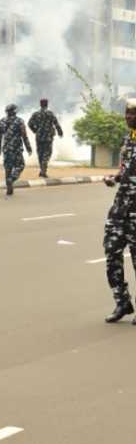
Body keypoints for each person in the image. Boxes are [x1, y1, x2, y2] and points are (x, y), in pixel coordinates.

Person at [102, 99, 136, 323]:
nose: (128, 117)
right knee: (111, 253)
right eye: (127, 113)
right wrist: (114, 178)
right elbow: (124, 169)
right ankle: (122, 302)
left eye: (133, 114)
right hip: (120, 208)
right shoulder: (127, 140)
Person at [0, 103, 33, 196]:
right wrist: (28, 147)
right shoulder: (19, 121)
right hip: (16, 149)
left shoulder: (2, 121)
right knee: (20, 166)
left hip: (6, 149)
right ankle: (12, 179)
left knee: (8, 168)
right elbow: (24, 135)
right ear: (15, 111)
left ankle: (9, 188)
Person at [27, 98, 64, 178]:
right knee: (47, 153)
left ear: (40, 104)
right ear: (47, 104)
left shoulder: (36, 114)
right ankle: (43, 170)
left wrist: (35, 130)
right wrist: (60, 132)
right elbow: (56, 124)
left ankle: (42, 170)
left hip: (39, 137)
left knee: (40, 154)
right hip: (48, 137)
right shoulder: (50, 113)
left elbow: (29, 123)